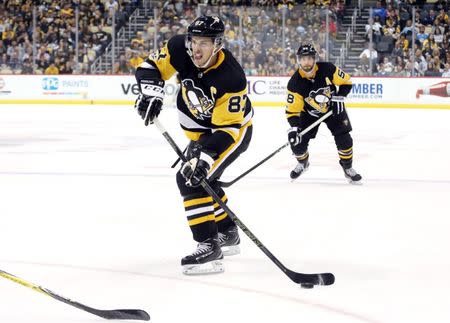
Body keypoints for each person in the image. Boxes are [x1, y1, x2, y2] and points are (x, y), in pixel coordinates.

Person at [134, 15, 253, 274]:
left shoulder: (231, 77)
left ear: (218, 44)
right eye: (194, 41)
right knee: (202, 179)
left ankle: (209, 247)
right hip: (201, 132)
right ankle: (228, 232)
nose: (196, 48)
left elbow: (227, 129)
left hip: (231, 133)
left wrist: (206, 158)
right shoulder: (179, 49)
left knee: (191, 178)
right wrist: (151, 93)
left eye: (204, 43)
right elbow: (147, 67)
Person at [285, 43, 362, 183]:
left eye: (309, 58)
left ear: (314, 59)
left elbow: (347, 82)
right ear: (298, 60)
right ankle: (303, 163)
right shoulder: (294, 83)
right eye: (303, 59)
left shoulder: (327, 68)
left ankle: (347, 167)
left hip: (333, 108)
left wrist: (339, 97)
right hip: (309, 114)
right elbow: (292, 111)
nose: (306, 62)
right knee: (297, 144)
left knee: (344, 139)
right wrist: (294, 129)